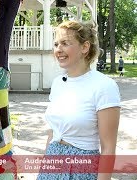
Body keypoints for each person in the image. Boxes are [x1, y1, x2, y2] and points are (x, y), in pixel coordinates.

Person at [37, 21, 121, 180]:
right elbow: (54, 131)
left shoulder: (104, 86)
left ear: (85, 47)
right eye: (56, 44)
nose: (58, 49)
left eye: (65, 43)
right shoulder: (57, 83)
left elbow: (108, 148)